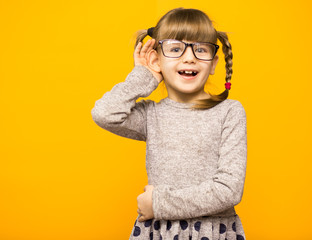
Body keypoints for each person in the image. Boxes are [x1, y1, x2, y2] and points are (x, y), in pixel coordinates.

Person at [91, 7, 247, 240]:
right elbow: (105, 113)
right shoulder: (151, 116)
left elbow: (229, 190)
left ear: (213, 63)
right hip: (159, 231)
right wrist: (144, 76)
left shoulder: (229, 112)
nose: (189, 57)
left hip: (213, 231)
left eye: (200, 49)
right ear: (156, 59)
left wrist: (159, 204)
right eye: (175, 49)